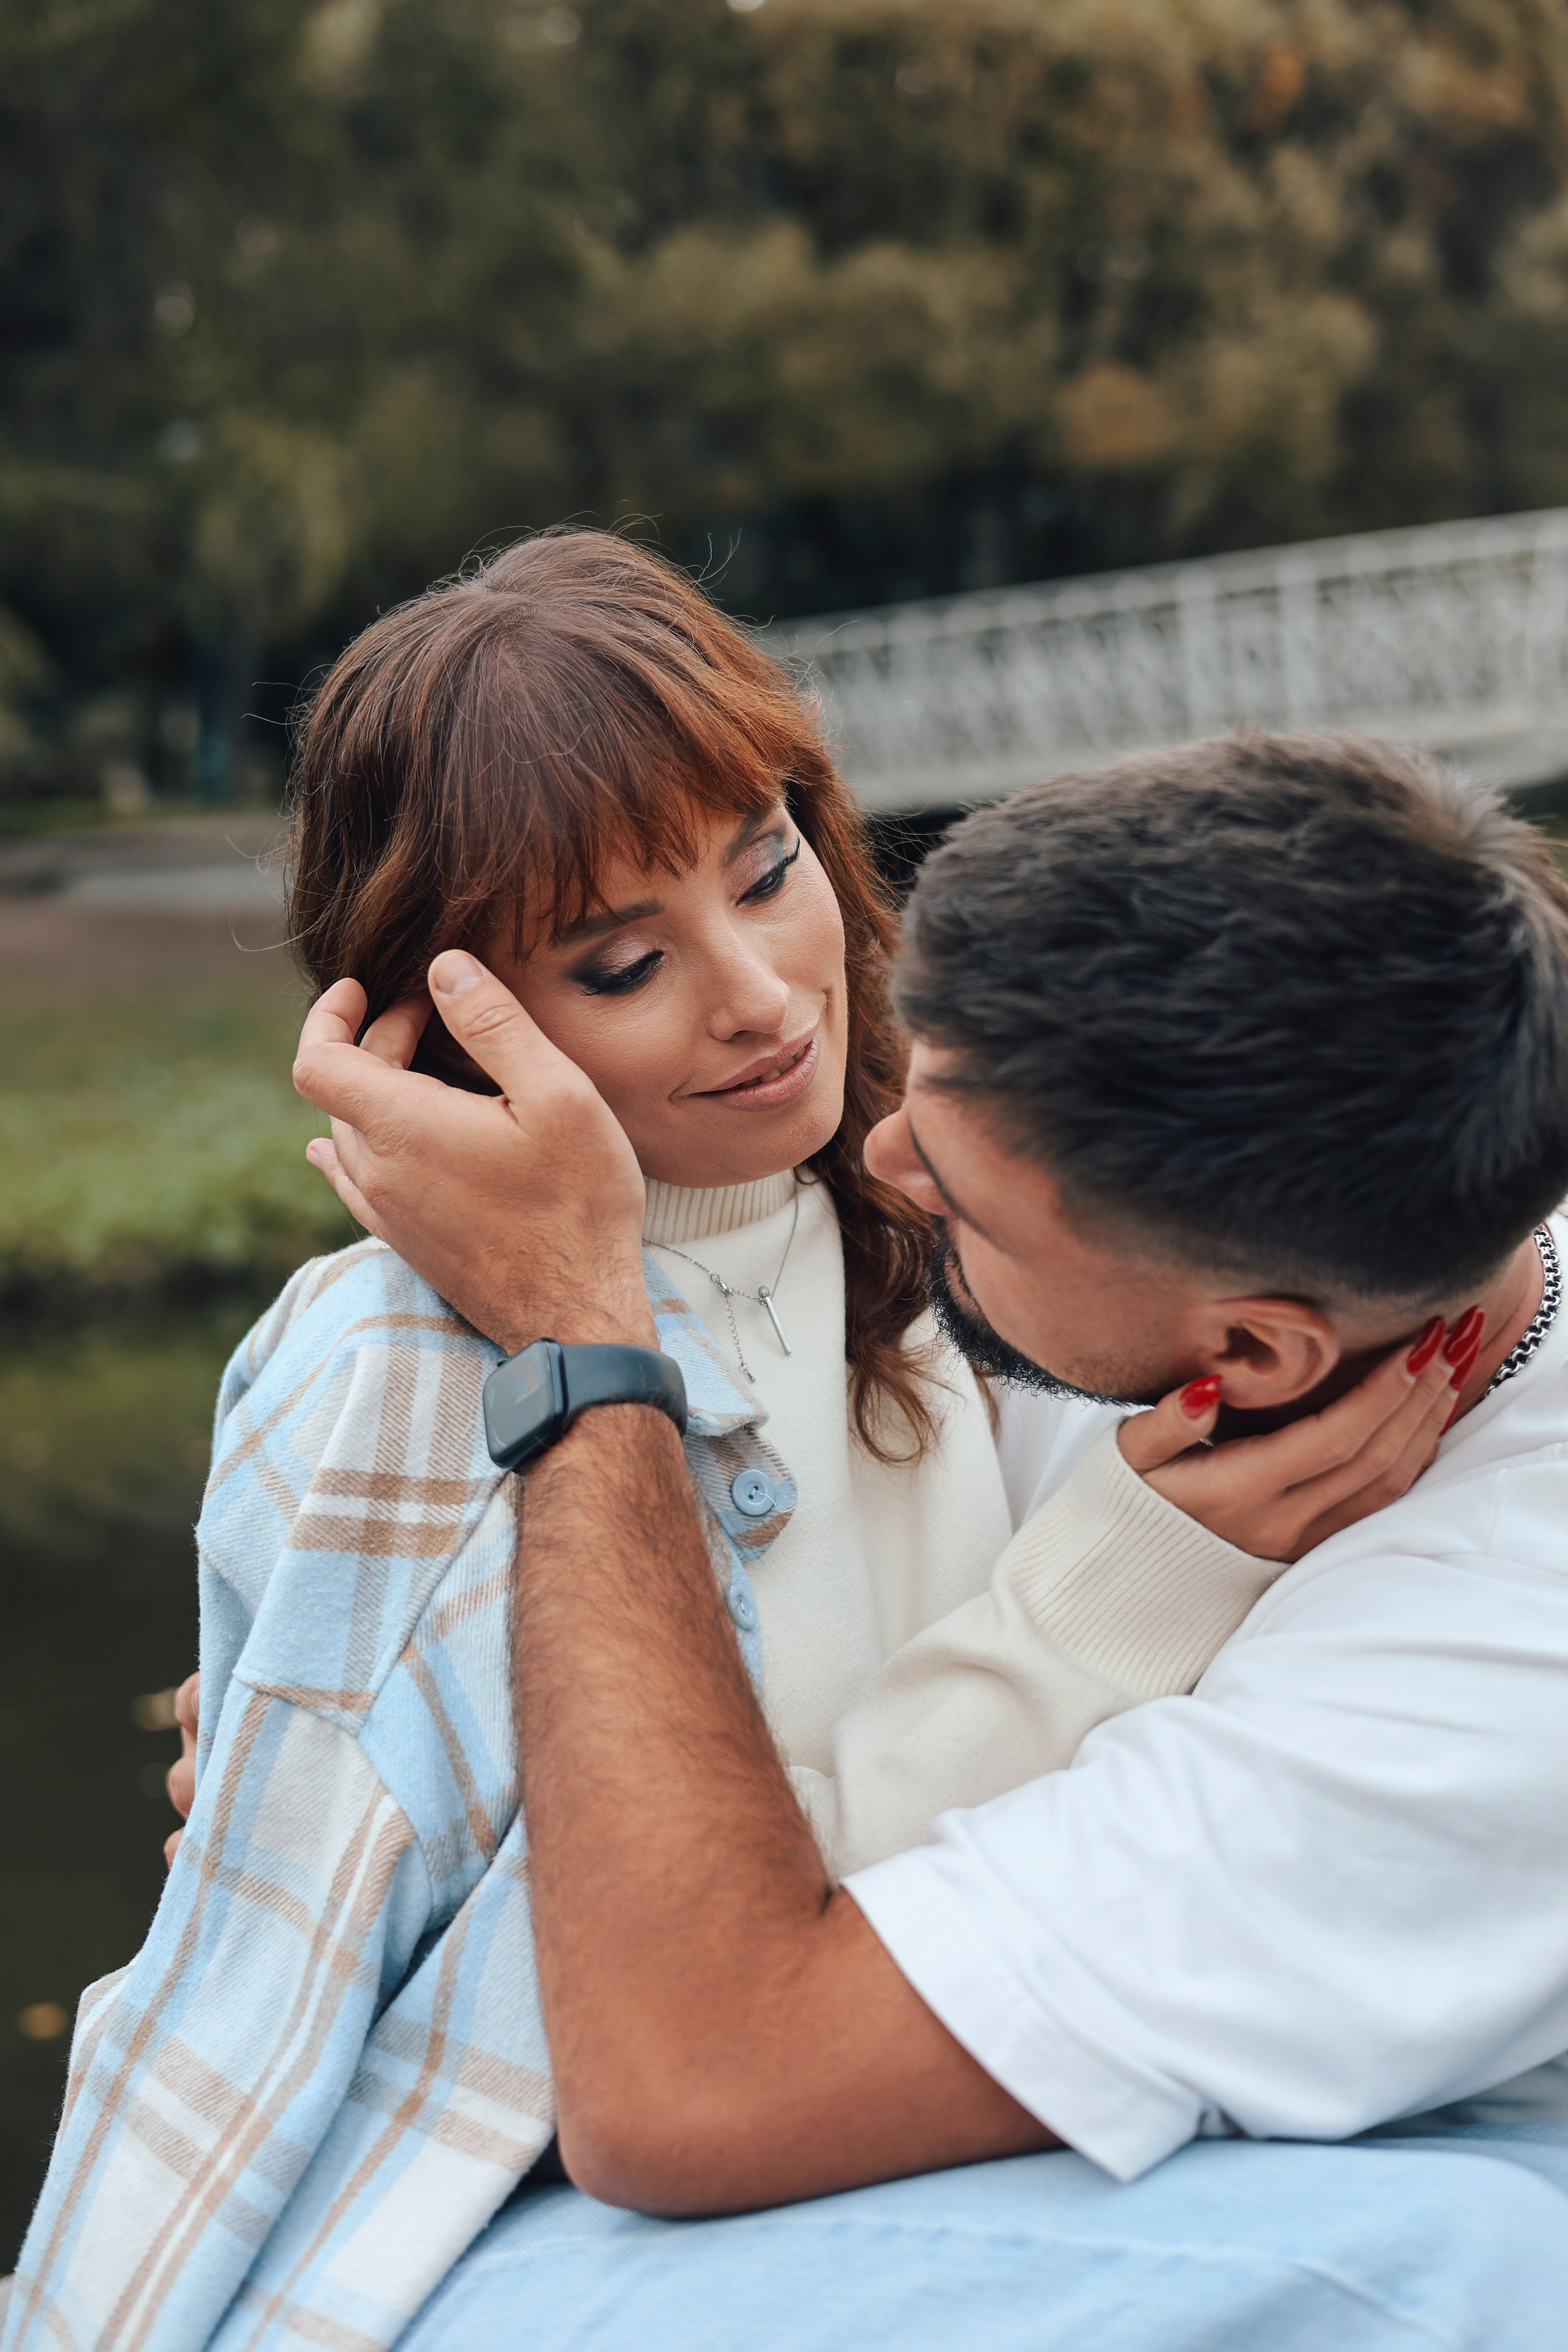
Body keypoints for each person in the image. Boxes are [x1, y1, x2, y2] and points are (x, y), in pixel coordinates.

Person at [1, 551, 1419, 2352]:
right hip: (547, 2234)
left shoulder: (926, 1231)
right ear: (436, 1024)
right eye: (621, 962)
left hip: (873, 2135)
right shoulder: (388, 1361)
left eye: (769, 868)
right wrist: (1118, 1593)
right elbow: (661, 1959)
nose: (760, 993)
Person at [273, 731, 1567, 2347]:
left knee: (1473, 2258)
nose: (879, 1158)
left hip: (1434, 2178)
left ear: (1252, 1355)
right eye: (921, 1068)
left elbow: (690, 2080)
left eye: (959, 1203)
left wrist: (577, 1337)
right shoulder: (1266, 1235)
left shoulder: (1475, 1691)